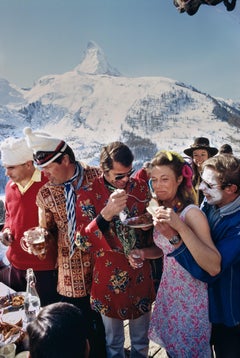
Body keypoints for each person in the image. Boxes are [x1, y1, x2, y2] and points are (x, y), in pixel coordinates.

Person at [23, 127, 105, 358]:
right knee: (78, 328)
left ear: (66, 159)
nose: (44, 174)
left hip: (103, 268)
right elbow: (45, 231)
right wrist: (36, 243)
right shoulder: (45, 194)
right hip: (71, 275)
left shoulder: (98, 177)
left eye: (48, 167)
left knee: (105, 329)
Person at [131, 150, 221, 357]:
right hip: (169, 295)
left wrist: (178, 229)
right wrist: (144, 253)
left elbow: (213, 265)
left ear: (180, 179)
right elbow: (167, 250)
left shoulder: (192, 214)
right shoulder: (162, 209)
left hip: (191, 300)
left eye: (165, 179)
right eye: (154, 180)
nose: (158, 185)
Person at [74, 141, 156, 358]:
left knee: (140, 339)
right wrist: (106, 214)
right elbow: (81, 242)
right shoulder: (88, 194)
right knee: (114, 342)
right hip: (108, 278)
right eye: (118, 176)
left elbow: (152, 222)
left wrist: (150, 223)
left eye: (128, 173)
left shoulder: (138, 188)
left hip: (139, 272)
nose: (125, 180)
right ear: (103, 170)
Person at [169, 154, 240, 358]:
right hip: (205, 308)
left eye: (209, 184)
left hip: (231, 315)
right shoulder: (210, 204)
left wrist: (177, 234)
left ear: (231, 189)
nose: (201, 188)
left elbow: (210, 270)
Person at [0, 137, 58, 306]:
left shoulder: (50, 184)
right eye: (5, 168)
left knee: (45, 316)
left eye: (11, 167)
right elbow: (10, 216)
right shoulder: (10, 187)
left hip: (45, 268)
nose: (6, 173)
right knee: (20, 313)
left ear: (28, 164)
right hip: (16, 265)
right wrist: (6, 231)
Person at [183, 137, 218, 206]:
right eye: (195, 155)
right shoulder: (190, 175)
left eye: (203, 154)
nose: (199, 158)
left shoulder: (215, 175)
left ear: (208, 156)